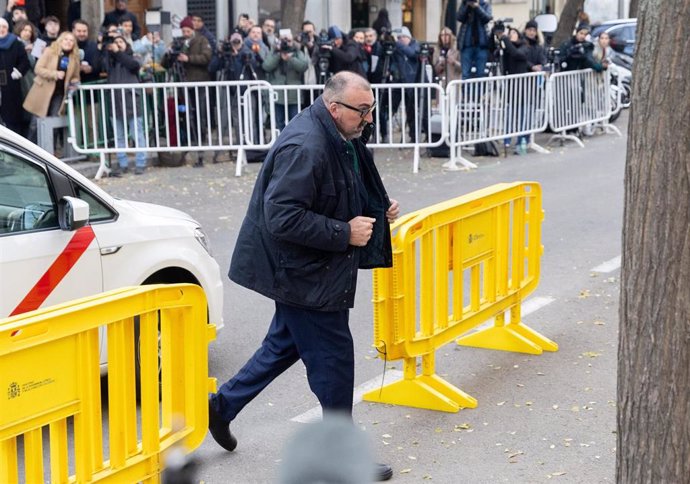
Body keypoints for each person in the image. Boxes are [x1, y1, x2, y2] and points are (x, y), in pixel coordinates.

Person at [207, 71, 399, 483]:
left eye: (371, 110)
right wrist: (343, 232)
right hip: (304, 275)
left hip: (307, 270)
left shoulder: (335, 134)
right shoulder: (306, 145)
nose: (368, 119)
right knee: (334, 365)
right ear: (335, 108)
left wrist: (377, 207)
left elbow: (340, 184)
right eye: (362, 111)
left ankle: (221, 406)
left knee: (282, 347)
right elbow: (282, 216)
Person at [161, 15, 212, 167]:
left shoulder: (202, 40)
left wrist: (188, 58)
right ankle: (186, 143)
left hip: (198, 84)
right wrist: (169, 53)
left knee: (198, 116)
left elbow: (206, 58)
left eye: (188, 30)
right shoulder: (178, 42)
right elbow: (165, 64)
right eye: (183, 30)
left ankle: (200, 147)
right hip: (182, 86)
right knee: (183, 115)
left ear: (193, 29)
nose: (185, 32)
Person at [23, 31, 80, 143]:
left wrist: (74, 83)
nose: (68, 42)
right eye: (66, 39)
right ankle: (29, 147)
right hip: (43, 91)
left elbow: (75, 76)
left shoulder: (74, 58)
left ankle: (49, 151)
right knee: (35, 123)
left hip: (59, 94)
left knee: (54, 121)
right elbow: (38, 69)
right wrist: (54, 74)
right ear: (60, 40)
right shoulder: (50, 51)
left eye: (71, 40)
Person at [103, 34, 147, 175]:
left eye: (121, 41)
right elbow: (100, 65)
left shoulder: (133, 56)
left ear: (126, 44)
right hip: (115, 101)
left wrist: (118, 52)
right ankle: (122, 164)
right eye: (115, 42)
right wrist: (104, 49)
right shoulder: (110, 59)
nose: (118, 44)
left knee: (136, 133)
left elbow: (133, 66)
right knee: (119, 136)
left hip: (131, 100)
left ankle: (141, 163)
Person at [261, 30, 308, 130]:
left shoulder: (297, 52)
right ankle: (281, 144)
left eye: (288, 40)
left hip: (294, 95)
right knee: (278, 123)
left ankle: (293, 144)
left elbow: (303, 66)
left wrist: (291, 58)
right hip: (277, 95)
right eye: (283, 40)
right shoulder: (274, 51)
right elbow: (266, 66)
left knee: (295, 122)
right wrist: (278, 55)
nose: (286, 43)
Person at [0, 17, 30, 134]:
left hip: (11, 86)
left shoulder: (16, 43)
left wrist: (18, 72)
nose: (1, 29)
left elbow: (24, 62)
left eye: (4, 27)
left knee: (12, 119)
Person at [456, 0, 493, 79]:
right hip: (467, 44)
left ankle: (480, 91)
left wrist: (477, 7)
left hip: (482, 45)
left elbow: (487, 18)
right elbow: (459, 17)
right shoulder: (464, 3)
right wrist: (467, 6)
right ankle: (466, 91)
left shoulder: (485, 5)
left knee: (481, 74)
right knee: (465, 74)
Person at [72, 19, 101, 84]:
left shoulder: (94, 46)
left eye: (84, 31)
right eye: (79, 31)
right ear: (73, 31)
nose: (82, 34)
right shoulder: (68, 46)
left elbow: (100, 65)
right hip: (72, 85)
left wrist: (92, 69)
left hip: (91, 84)